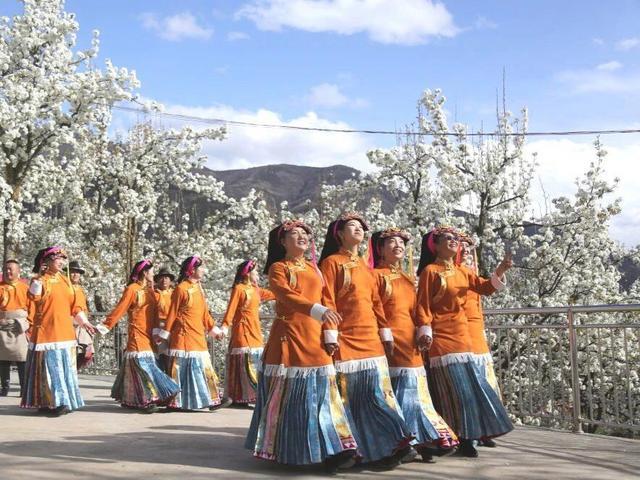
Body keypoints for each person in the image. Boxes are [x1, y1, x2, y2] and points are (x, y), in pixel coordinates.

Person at [245, 220, 357, 473]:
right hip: (290, 336)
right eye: (295, 234)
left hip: (315, 337)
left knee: (324, 396)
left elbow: (326, 298)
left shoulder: (314, 268)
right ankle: (291, 449)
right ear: (282, 242)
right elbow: (285, 295)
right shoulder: (278, 268)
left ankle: (334, 448)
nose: (302, 236)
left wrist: (330, 332)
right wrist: (316, 310)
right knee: (293, 397)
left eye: (305, 233)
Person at [319, 212, 413, 468]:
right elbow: (327, 300)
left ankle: (388, 446)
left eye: (361, 226)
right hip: (346, 338)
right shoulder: (331, 263)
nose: (359, 229)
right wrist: (330, 333)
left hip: (371, 339)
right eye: (352, 226)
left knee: (377, 396)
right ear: (340, 234)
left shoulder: (365, 266)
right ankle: (350, 451)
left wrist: (385, 332)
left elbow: (376, 303)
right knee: (348, 399)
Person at [416, 227, 513, 457]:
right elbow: (423, 304)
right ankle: (455, 438)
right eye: (448, 238)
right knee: (452, 392)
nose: (454, 241)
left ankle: (469, 437)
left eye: (456, 239)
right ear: (435, 245)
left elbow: (485, 288)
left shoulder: (463, 271)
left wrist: (500, 270)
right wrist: (425, 330)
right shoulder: (430, 271)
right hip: (442, 338)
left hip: (463, 338)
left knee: (469, 391)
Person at [371, 228, 458, 462]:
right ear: (380, 249)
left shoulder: (407, 278)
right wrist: (385, 334)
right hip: (390, 339)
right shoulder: (375, 276)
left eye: (401, 242)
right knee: (401, 391)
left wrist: (423, 331)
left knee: (416, 391)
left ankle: (422, 439)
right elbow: (375, 308)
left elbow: (418, 308)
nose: (398, 245)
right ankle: (405, 441)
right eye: (391, 242)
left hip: (411, 340)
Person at [96, 260, 179, 412]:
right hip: (136, 334)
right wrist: (105, 326)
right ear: (145, 273)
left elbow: (154, 314)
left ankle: (131, 399)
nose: (153, 275)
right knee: (144, 366)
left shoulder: (150, 291)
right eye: (151, 272)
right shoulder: (132, 289)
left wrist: (157, 334)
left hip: (149, 336)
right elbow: (120, 309)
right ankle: (146, 399)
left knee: (139, 366)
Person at [21, 246, 96, 416]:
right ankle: (54, 402)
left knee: (64, 371)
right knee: (50, 371)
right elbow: (33, 297)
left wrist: (84, 322)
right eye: (58, 258)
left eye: (63, 259)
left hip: (65, 333)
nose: (62, 262)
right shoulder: (40, 280)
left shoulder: (66, 281)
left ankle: (60, 401)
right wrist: (38, 278)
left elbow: (75, 307)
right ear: (47, 261)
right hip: (47, 334)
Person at [155, 255, 224, 411]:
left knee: (204, 368)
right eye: (201, 268)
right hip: (184, 337)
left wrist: (215, 330)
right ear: (192, 270)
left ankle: (212, 399)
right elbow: (172, 314)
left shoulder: (199, 288)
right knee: (182, 371)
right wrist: (164, 334)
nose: (204, 270)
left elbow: (205, 314)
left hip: (198, 336)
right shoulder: (181, 289)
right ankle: (176, 402)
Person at [457, 232, 504, 448]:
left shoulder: (471, 273)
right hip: (458, 333)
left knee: (484, 381)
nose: (467, 252)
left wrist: (500, 270)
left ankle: (485, 428)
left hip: (476, 333)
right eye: (462, 248)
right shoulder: (450, 273)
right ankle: (468, 432)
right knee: (468, 386)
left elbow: (486, 288)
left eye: (469, 249)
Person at [215, 259, 274, 406]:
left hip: (255, 331)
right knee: (245, 364)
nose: (258, 275)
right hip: (243, 332)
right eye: (255, 272)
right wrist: (224, 326)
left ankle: (250, 396)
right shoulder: (239, 289)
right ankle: (243, 397)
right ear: (248, 273)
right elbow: (231, 309)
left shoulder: (255, 290)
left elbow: (274, 294)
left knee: (254, 364)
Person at [0, 260, 30, 396]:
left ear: (18, 271)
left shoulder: (25, 288)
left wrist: (28, 323)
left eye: (10, 269)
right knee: (3, 358)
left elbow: (32, 308)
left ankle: (24, 388)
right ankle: (4, 387)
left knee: (22, 358)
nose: (7, 272)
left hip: (20, 326)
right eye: (5, 269)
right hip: (2, 326)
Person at [68, 260, 94, 370]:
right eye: (73, 272)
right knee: (71, 353)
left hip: (82, 324)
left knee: (85, 352)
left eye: (77, 272)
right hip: (71, 324)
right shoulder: (66, 288)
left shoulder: (80, 289)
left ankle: (75, 371)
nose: (75, 275)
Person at [153, 267, 175, 373]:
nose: (164, 280)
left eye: (166, 278)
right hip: (159, 326)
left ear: (170, 281)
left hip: (173, 326)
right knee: (162, 353)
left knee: (173, 354)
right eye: (161, 278)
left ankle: (172, 376)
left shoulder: (174, 294)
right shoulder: (153, 294)